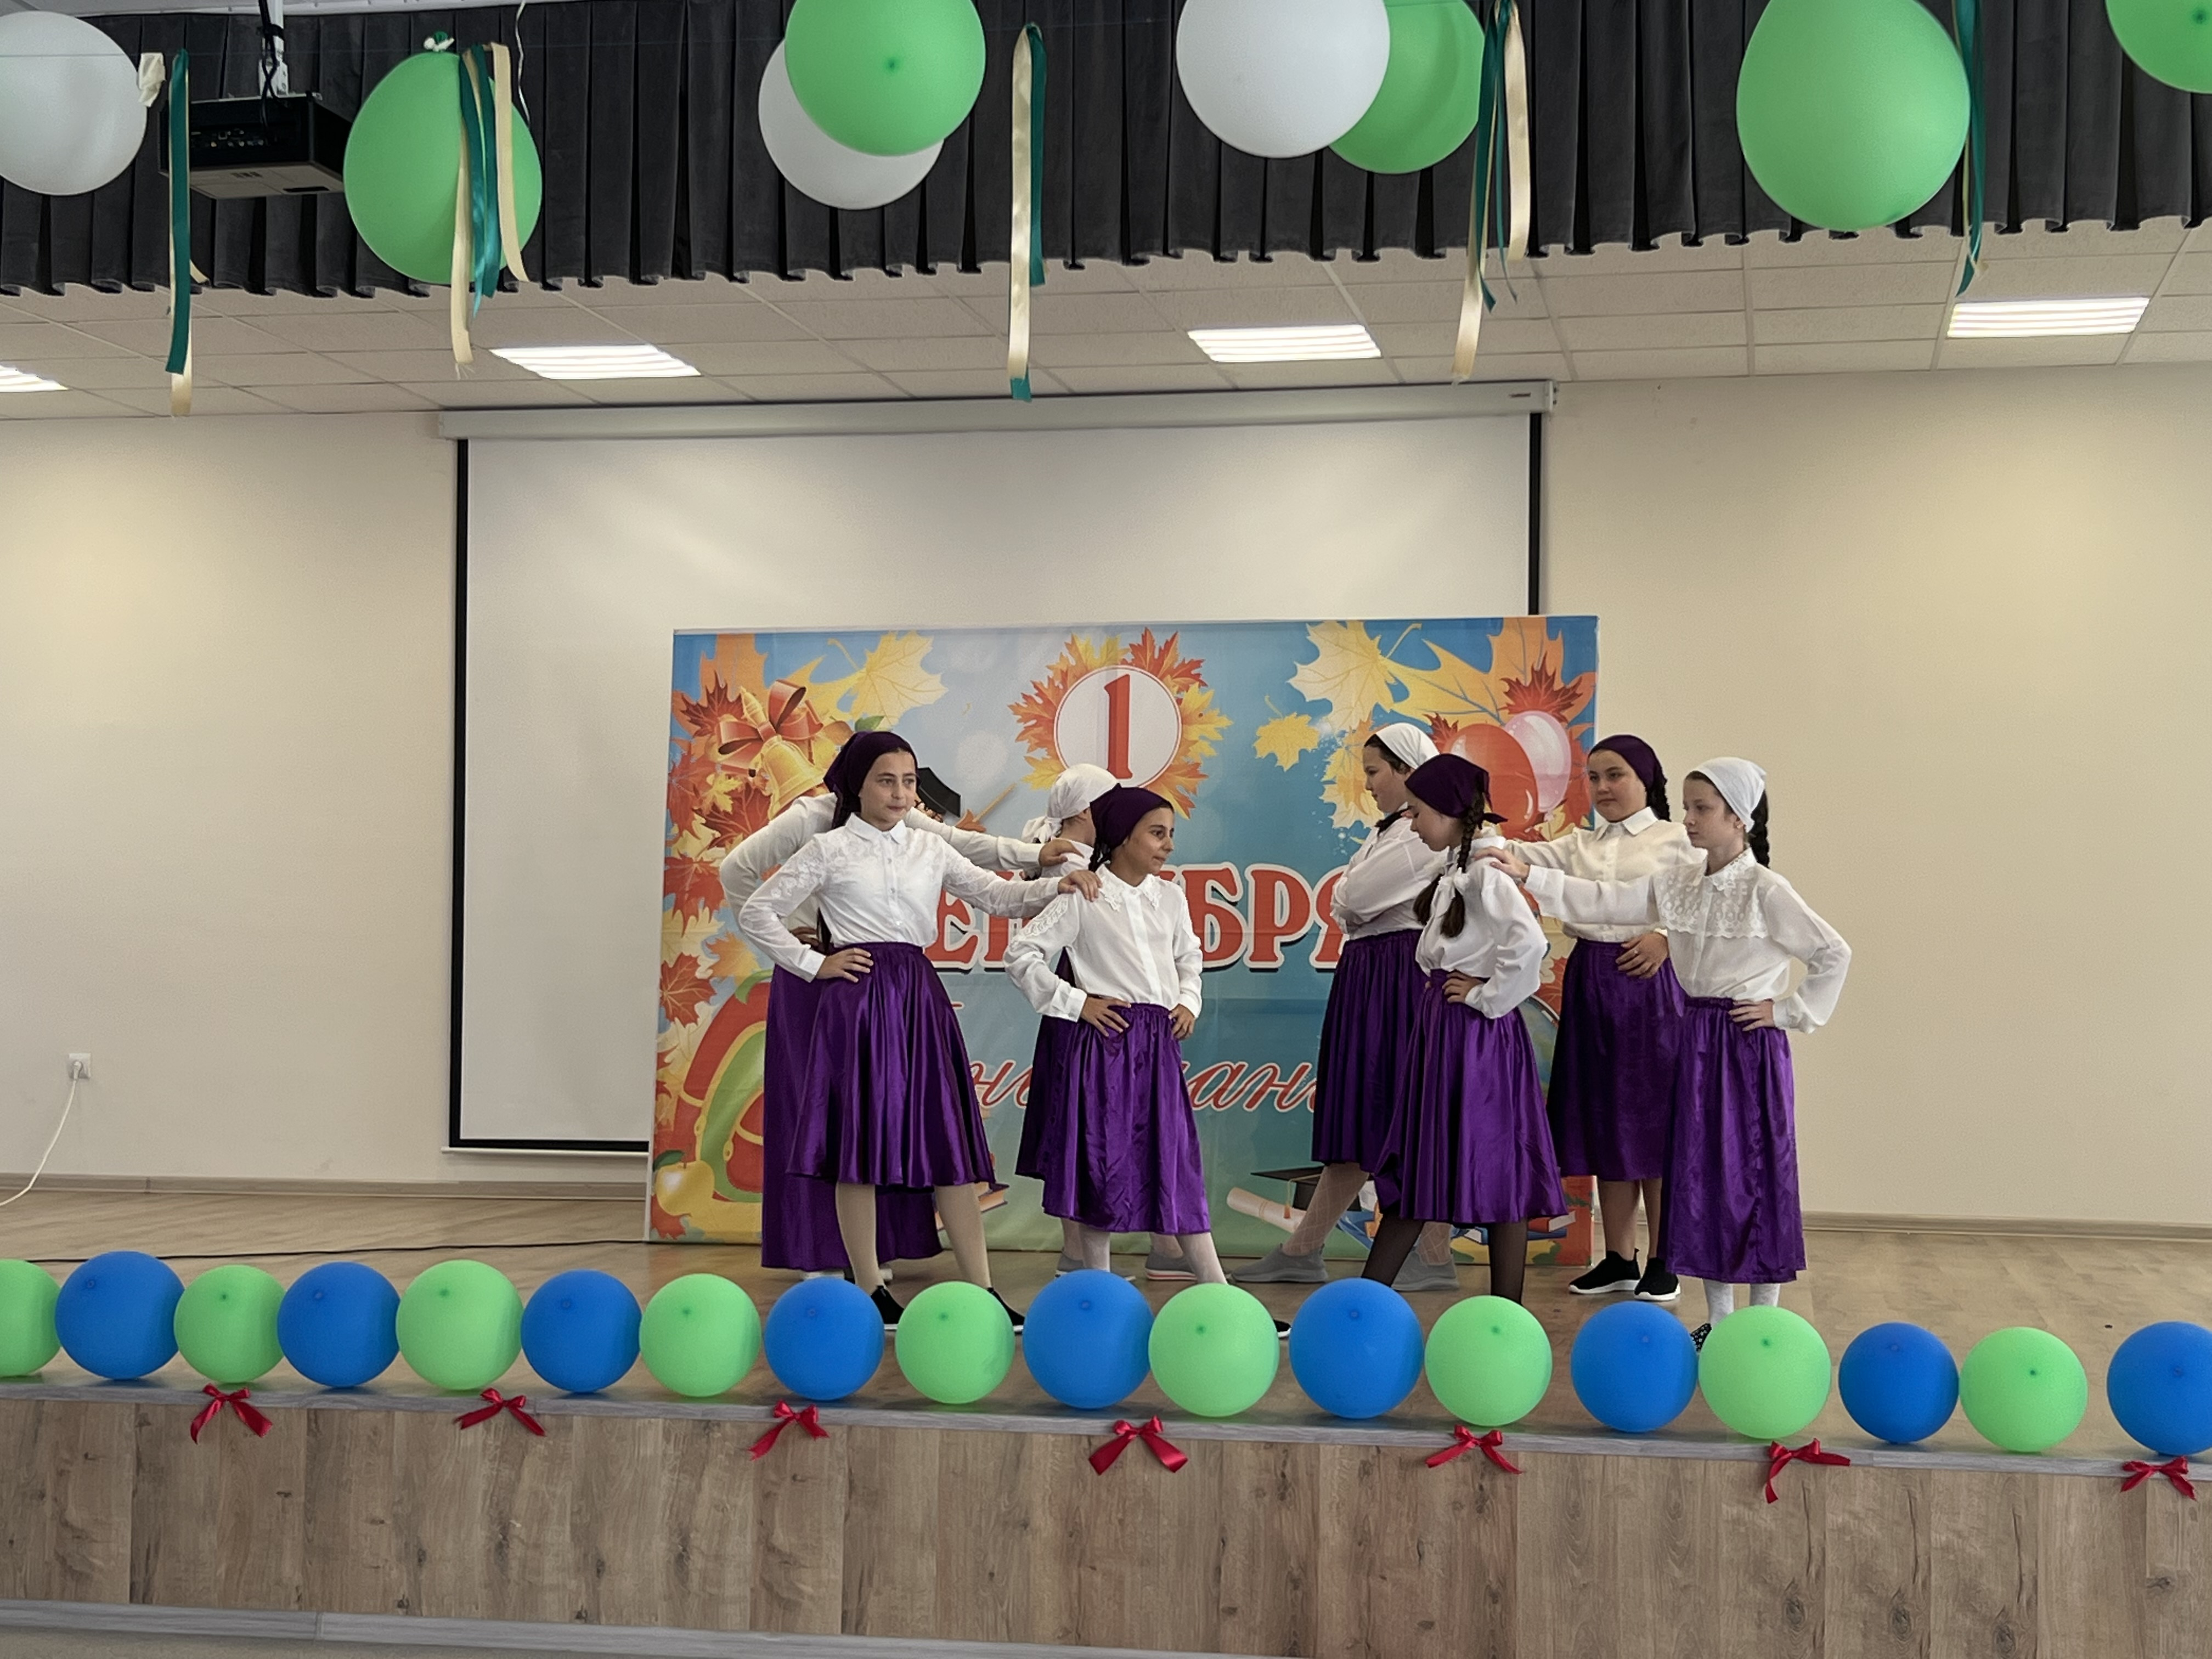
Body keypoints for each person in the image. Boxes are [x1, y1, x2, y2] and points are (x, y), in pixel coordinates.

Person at [1479, 758, 1849, 1342]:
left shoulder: (1766, 890)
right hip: (1694, 1037)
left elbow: (1833, 953)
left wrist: (1785, 1012)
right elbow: (1604, 901)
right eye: (1689, 807)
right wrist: (1529, 873)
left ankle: (1764, 1322)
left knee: (1753, 1171)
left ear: (1738, 818)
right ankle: (1721, 1321)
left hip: (1745, 1045)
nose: (1690, 819)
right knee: (1702, 1174)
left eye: (1703, 809)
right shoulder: (1681, 884)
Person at [737, 731, 1092, 1331]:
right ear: (856, 785)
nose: (900, 793)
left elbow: (995, 896)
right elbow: (757, 911)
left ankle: (982, 1287)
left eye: (908, 781)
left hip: (918, 998)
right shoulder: (828, 849)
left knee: (948, 1143)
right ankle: (870, 1287)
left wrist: (1052, 885)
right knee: (858, 1147)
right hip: (857, 1002)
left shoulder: (929, 848)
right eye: (886, 780)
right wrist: (814, 964)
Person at [1234, 723, 1462, 1293]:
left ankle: (1427, 1255)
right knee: (1363, 1118)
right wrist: (1352, 903)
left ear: (1408, 771)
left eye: (1376, 772)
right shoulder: (1391, 833)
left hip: (1398, 975)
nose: (1369, 784)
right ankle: (1306, 1250)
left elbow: (1353, 898)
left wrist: (1353, 902)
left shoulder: (1420, 835)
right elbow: (1346, 903)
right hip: (1371, 974)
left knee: (1397, 1118)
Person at [1005, 786, 1229, 1284]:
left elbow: (1189, 955)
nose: (1168, 845)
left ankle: (1217, 1287)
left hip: (1158, 1045)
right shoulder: (1085, 896)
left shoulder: (1169, 897)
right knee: (1102, 1163)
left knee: (1175, 1160)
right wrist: (1076, 1003)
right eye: (1157, 833)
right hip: (1107, 1045)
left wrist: (1188, 1001)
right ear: (1124, 836)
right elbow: (1020, 954)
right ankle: (1100, 1284)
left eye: (1170, 834)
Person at [1361, 754, 1562, 1304]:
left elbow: (1530, 945)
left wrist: (1484, 996)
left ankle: (1505, 1310)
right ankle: (1367, 1299)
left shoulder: (1486, 875)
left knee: (1493, 1165)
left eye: (1418, 812)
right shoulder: (1456, 870)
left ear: (1450, 812)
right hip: (1446, 1032)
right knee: (1420, 1161)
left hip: (1475, 1040)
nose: (1412, 824)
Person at [1515, 735, 1700, 1305]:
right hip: (1592, 982)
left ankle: (1665, 1258)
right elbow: (1516, 855)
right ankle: (1620, 1257)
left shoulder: (1676, 839)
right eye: (1593, 777)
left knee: (1654, 1124)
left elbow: (1707, 901)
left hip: (1653, 987)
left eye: (1615, 775)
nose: (1602, 787)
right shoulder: (1580, 845)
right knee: (1606, 1120)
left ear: (1645, 779)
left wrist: (1666, 937)